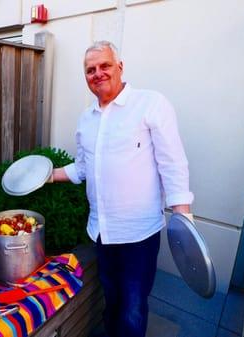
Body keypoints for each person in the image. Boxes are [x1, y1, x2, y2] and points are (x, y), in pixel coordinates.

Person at [48, 41, 194, 337]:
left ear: (120, 67)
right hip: (102, 231)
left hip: (138, 234)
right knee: (112, 299)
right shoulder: (86, 119)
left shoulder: (150, 104)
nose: (98, 73)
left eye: (105, 66)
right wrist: (46, 175)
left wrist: (183, 216)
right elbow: (83, 168)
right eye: (90, 70)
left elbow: (172, 163)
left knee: (133, 308)